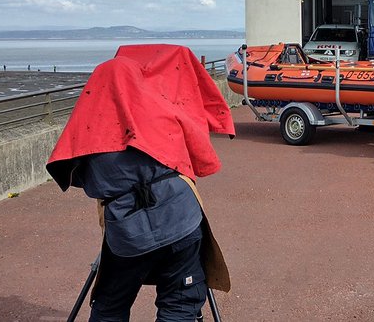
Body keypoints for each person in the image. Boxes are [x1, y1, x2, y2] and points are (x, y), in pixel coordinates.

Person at [46, 44, 235, 321]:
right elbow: (192, 144)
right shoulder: (163, 114)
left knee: (110, 304)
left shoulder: (90, 137)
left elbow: (88, 184)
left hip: (127, 231)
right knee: (181, 304)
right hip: (181, 218)